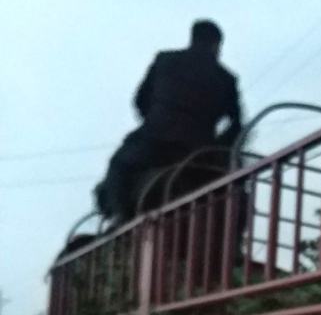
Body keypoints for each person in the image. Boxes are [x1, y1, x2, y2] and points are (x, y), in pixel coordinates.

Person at [96, 20, 242, 224]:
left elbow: (140, 100)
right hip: (199, 150)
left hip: (155, 141)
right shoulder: (227, 78)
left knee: (119, 165)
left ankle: (122, 217)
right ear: (217, 45)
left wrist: (155, 120)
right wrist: (218, 146)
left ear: (192, 38)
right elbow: (236, 124)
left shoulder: (165, 60)